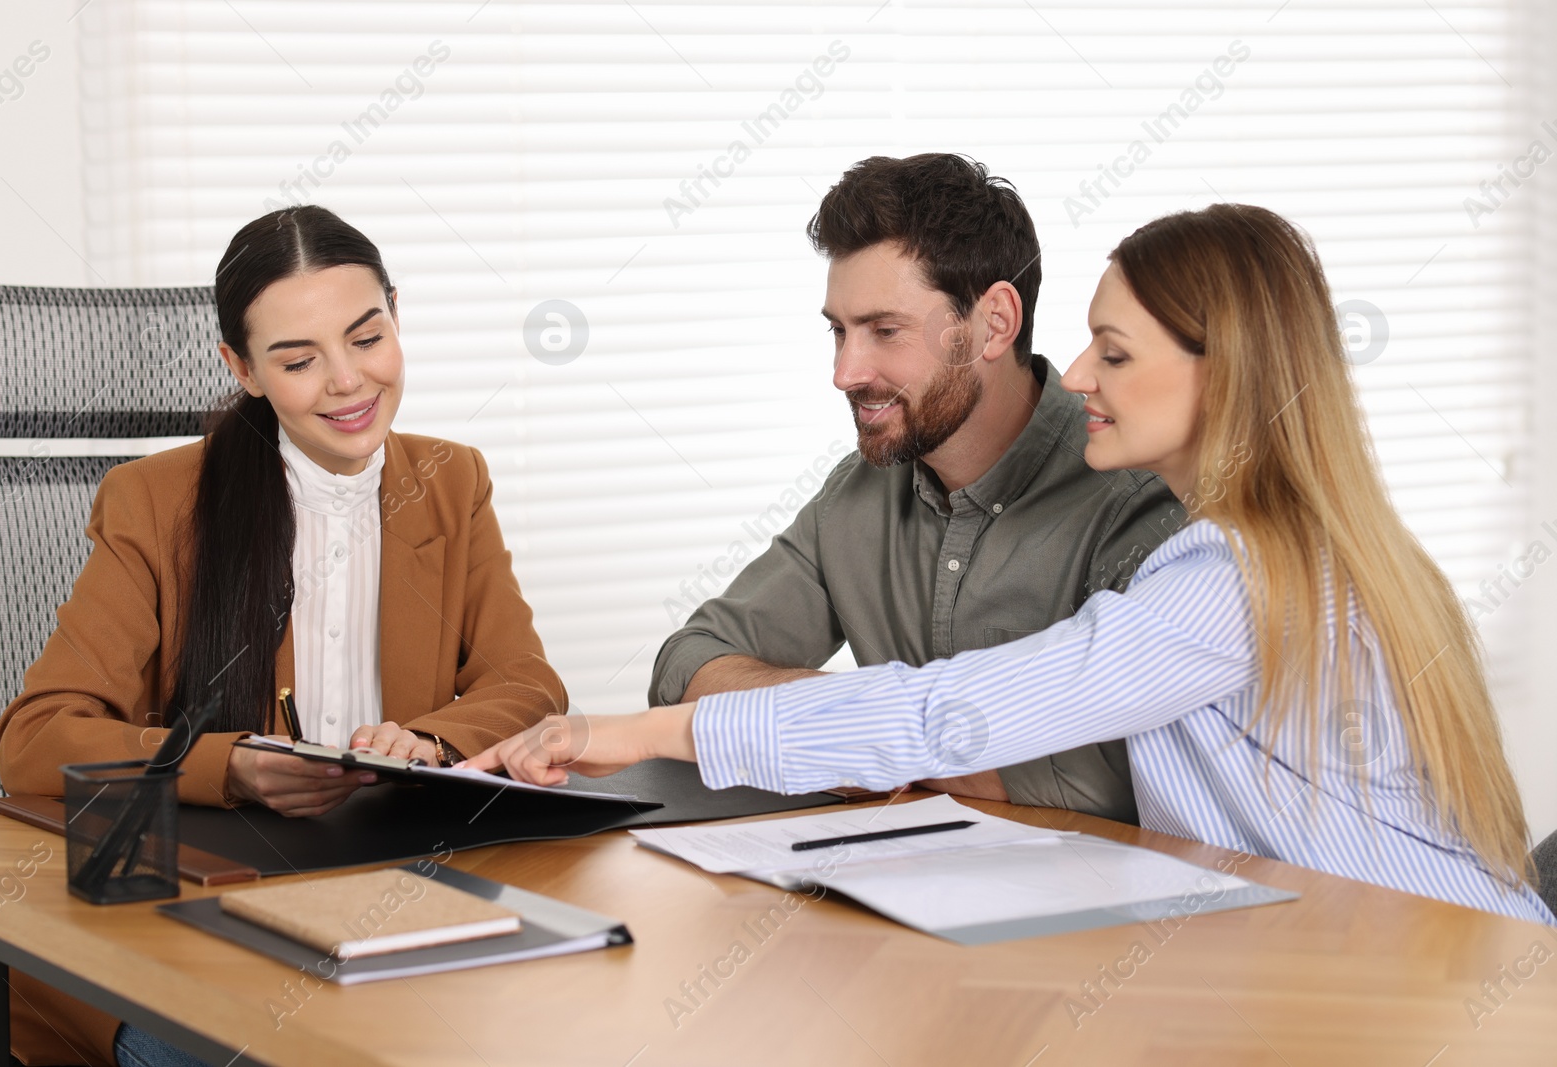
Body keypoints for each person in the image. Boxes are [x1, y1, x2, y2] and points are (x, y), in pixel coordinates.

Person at [478, 203, 1554, 925]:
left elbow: (955, 711)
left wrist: (623, 733)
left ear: (1223, 378)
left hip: (1450, 977)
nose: (1077, 370)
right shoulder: (1273, 547)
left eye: (1116, 352)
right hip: (1366, 954)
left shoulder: (1227, 579)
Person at [0, 205, 566, 1065]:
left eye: (366, 338)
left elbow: (526, 682)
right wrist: (229, 766)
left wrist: (427, 741)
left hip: (386, 897)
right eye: (299, 360)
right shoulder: (154, 501)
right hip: (187, 921)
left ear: (397, 319)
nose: (347, 381)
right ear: (243, 368)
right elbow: (36, 739)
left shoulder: (452, 480)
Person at [650, 154, 1183, 821]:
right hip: (897, 898)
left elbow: (1113, 783)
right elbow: (689, 665)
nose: (846, 371)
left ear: (994, 323)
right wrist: (861, 719)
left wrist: (854, 734)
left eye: (884, 331)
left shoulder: (1140, 499)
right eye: (838, 331)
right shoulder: (859, 494)